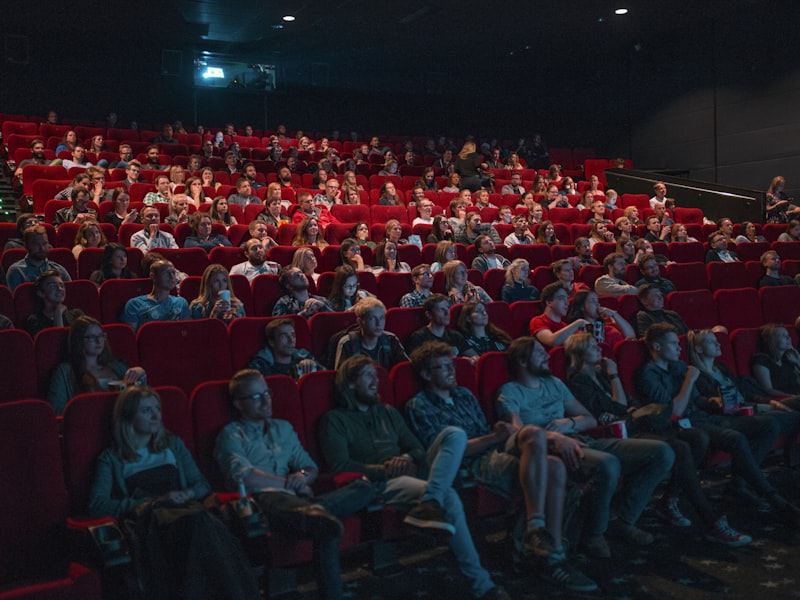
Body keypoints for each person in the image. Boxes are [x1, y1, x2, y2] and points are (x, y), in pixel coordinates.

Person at [405, 342, 597, 592]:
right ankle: (552, 557)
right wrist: (494, 438)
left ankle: (537, 533)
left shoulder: (463, 394)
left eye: (452, 365)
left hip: (493, 449)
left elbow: (489, 433)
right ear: (426, 374)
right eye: (443, 367)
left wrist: (497, 437)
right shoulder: (420, 405)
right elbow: (445, 454)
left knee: (535, 436)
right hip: (471, 462)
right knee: (555, 469)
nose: (452, 371)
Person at [321, 355, 511, 600]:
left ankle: (430, 503)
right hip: (380, 482)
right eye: (367, 375)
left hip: (412, 470)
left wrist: (407, 459)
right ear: (349, 383)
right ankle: (482, 585)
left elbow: (418, 450)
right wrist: (386, 469)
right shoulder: (335, 420)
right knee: (450, 496)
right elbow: (341, 465)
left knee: (454, 434)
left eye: (376, 375)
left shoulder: (387, 412)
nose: (375, 381)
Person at [565, 332, 752, 546]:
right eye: (591, 346)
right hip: (624, 432)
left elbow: (627, 404)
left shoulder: (601, 374)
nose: (599, 348)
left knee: (697, 437)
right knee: (680, 448)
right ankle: (710, 520)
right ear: (579, 353)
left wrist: (620, 393)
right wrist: (615, 376)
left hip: (640, 423)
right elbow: (617, 408)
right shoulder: (579, 380)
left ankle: (669, 500)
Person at [497, 336, 675, 558]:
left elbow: (589, 419)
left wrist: (568, 422)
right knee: (608, 464)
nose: (547, 356)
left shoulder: (555, 383)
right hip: (553, 450)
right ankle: (595, 533)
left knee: (661, 452)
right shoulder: (510, 391)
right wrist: (553, 436)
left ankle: (623, 518)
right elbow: (518, 433)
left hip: (582, 438)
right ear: (522, 361)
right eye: (539, 352)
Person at [90, 386, 259, 600]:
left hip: (186, 510)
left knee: (202, 523)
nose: (155, 416)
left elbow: (201, 485)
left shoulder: (172, 445)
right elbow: (98, 504)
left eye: (157, 409)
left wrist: (186, 493)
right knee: (200, 525)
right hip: (152, 520)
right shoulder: (112, 458)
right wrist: (145, 502)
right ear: (129, 416)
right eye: (146, 411)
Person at [635, 323, 800, 525]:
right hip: (684, 425)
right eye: (673, 344)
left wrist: (714, 401)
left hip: (705, 416)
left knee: (769, 425)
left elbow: (697, 401)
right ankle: (774, 498)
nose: (679, 348)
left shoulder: (678, 367)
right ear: (657, 347)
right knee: (736, 438)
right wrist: (689, 380)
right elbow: (674, 411)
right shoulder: (648, 375)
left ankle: (739, 485)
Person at [47, 316, 146, 415]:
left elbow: (139, 402)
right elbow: (57, 411)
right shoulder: (65, 371)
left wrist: (140, 374)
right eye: (92, 337)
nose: (99, 341)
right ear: (79, 340)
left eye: (101, 336)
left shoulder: (118, 367)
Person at [333, 297, 408, 369]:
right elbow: (342, 378)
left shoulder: (391, 339)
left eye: (381, 318)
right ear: (360, 322)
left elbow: (405, 369)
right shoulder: (348, 343)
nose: (379, 323)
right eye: (372, 319)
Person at [122, 260, 190, 332]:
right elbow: (131, 338)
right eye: (166, 273)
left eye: (173, 272)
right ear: (153, 276)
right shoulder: (135, 304)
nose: (172, 277)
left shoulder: (181, 302)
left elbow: (188, 333)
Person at [404, 293, 476, 359]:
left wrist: (471, 360)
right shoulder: (419, 337)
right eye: (441, 310)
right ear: (429, 315)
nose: (447, 313)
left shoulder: (455, 336)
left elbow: (474, 356)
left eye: (447, 308)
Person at [248, 319, 323, 379]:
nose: (291, 340)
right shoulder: (261, 366)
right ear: (272, 342)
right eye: (284, 336)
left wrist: (313, 365)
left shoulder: (304, 357)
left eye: (293, 335)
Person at [6, 225, 71, 292]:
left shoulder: (59, 270)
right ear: (26, 246)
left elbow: (70, 296)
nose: (41, 248)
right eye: (36, 244)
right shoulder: (16, 271)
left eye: (44, 243)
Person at [529, 282, 591, 347]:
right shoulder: (538, 321)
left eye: (567, 299)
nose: (567, 303)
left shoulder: (565, 326)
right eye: (562, 298)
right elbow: (550, 341)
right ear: (549, 302)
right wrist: (579, 323)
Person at [24, 270, 84, 336]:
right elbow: (57, 342)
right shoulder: (35, 321)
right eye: (53, 286)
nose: (59, 288)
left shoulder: (76, 315)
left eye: (62, 285)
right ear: (41, 293)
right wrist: (58, 313)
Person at [567, 289, 635, 347]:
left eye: (597, 301)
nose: (597, 304)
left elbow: (631, 336)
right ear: (581, 306)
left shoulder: (608, 324)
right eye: (593, 301)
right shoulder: (577, 330)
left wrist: (614, 314)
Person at [751, 323, 800, 398]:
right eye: (783, 335)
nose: (788, 337)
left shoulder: (788, 359)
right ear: (772, 340)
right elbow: (768, 390)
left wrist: (798, 361)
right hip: (781, 400)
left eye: (788, 334)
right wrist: (793, 397)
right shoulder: (761, 360)